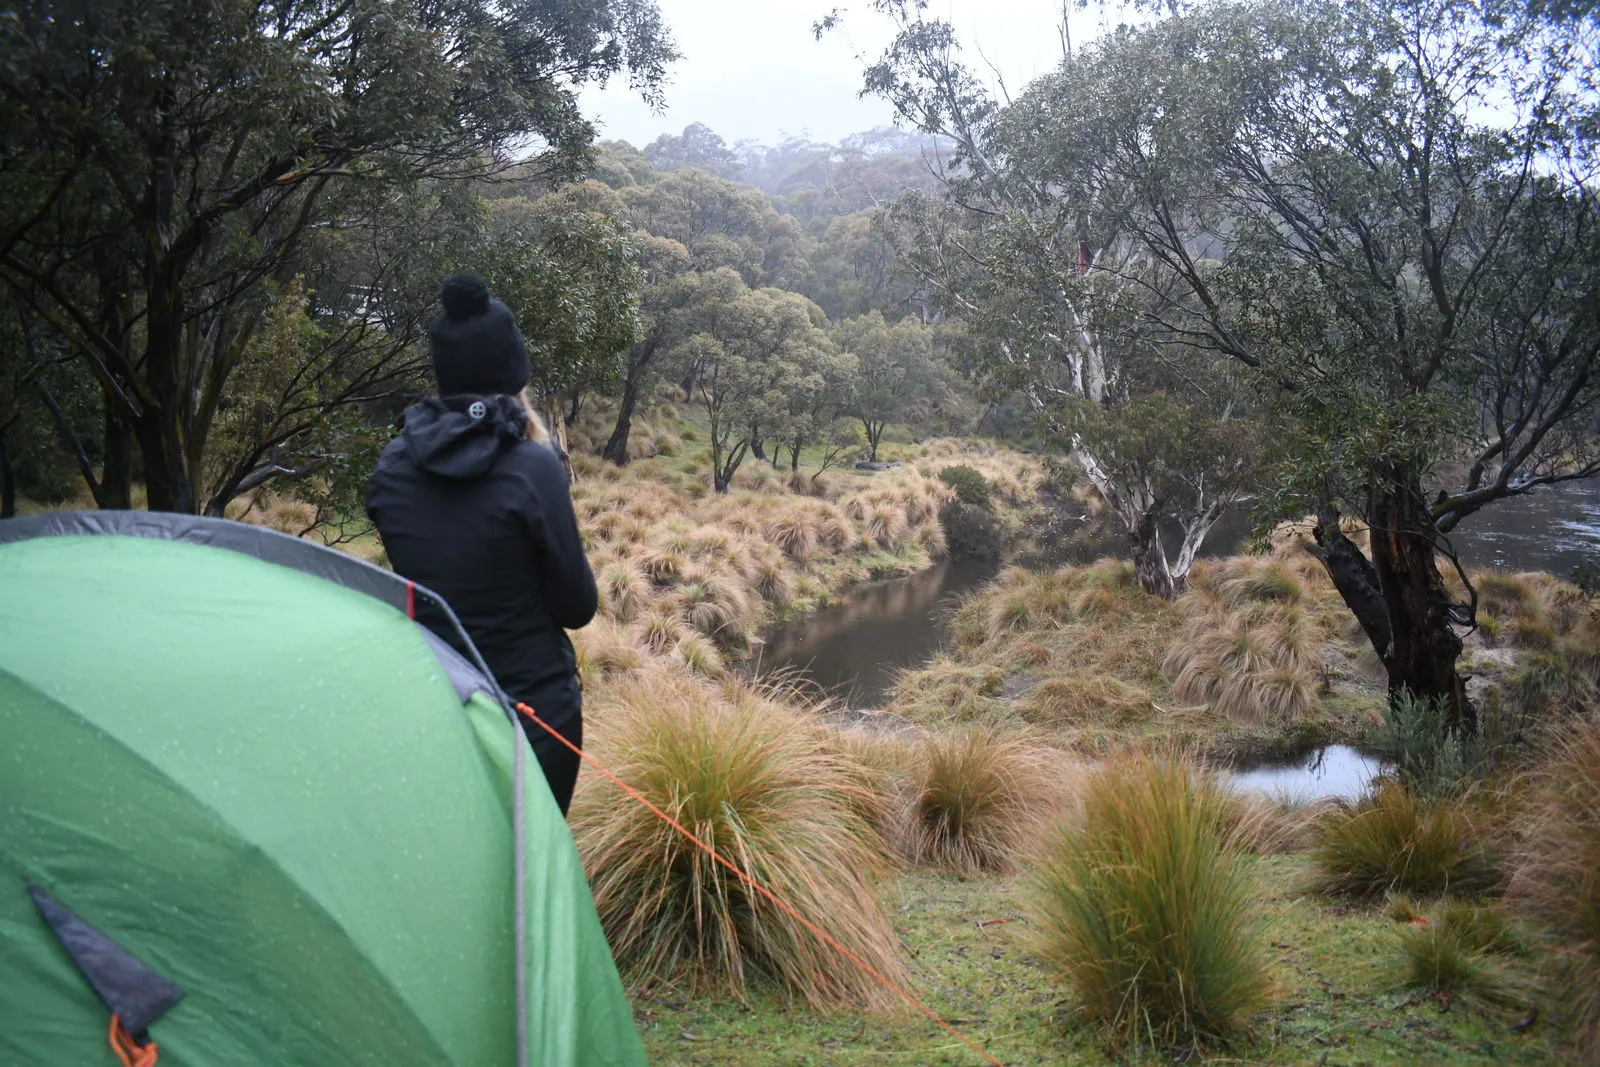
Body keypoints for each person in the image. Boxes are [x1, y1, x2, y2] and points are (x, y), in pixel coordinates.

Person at [366, 273, 597, 816]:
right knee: (529, 871)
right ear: (513, 374)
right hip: (537, 720)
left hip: (441, 709)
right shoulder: (532, 467)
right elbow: (577, 607)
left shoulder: (392, 467)